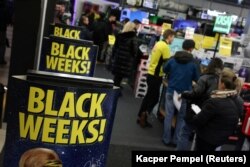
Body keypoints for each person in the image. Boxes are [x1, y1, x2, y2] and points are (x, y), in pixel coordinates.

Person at [177, 57, 224, 150]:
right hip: (210, 113)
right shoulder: (221, 81)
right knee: (201, 137)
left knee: (185, 132)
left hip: (197, 109)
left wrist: (184, 94)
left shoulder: (204, 78)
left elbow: (195, 93)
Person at [162, 39, 200, 147]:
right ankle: (176, 140)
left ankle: (166, 139)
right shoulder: (194, 62)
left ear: (182, 46)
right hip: (185, 94)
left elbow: (164, 69)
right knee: (181, 117)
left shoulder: (173, 58)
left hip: (171, 90)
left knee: (169, 115)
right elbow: (197, 78)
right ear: (191, 49)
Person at [189, 75, 242, 151]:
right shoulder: (233, 102)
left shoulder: (214, 102)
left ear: (222, 85)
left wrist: (194, 114)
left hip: (206, 138)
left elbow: (198, 120)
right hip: (220, 139)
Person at [137, 29, 175, 128]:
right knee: (154, 99)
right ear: (169, 36)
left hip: (151, 73)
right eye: (173, 37)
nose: (173, 40)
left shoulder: (158, 43)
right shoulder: (165, 47)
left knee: (148, 96)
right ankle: (144, 116)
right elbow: (168, 63)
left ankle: (140, 115)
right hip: (156, 76)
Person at [111, 22, 138, 88]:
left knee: (117, 76)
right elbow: (134, 51)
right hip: (126, 61)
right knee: (120, 76)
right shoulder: (133, 38)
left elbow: (115, 48)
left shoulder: (119, 36)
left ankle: (115, 87)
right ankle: (116, 89)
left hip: (118, 59)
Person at [0, 0, 7, 65]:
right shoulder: (5, 10)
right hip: (2, 30)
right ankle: (1, 59)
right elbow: (8, 19)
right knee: (2, 45)